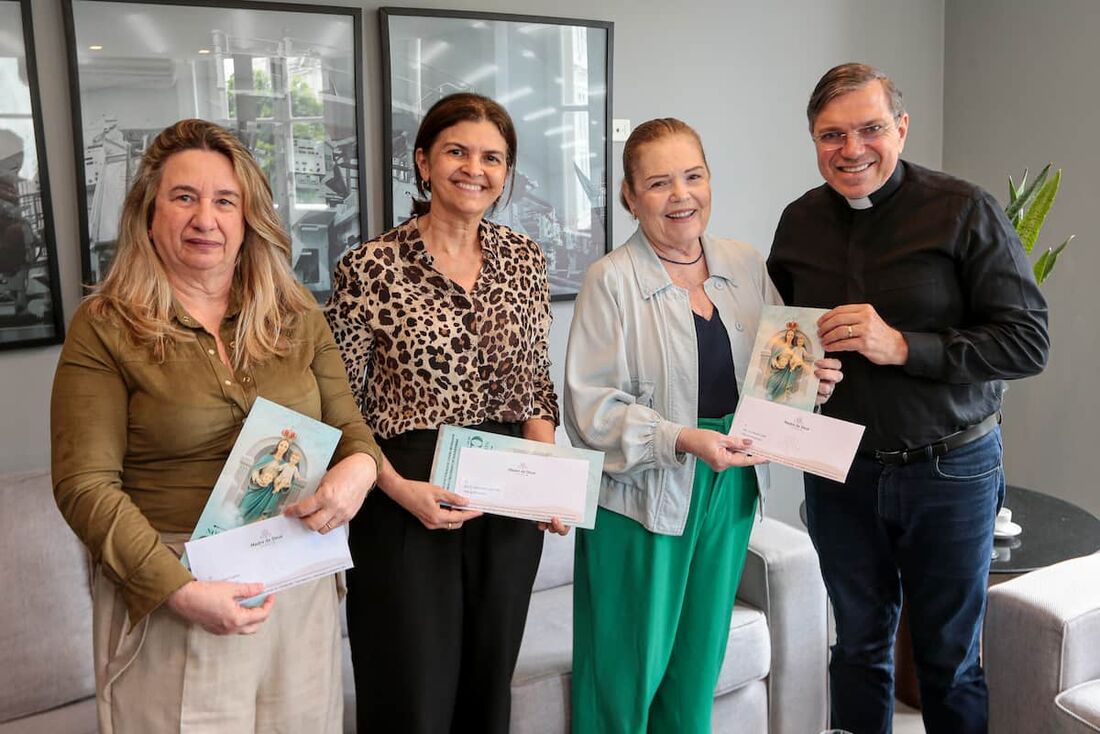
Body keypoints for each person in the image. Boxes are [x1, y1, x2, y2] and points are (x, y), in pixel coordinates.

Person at [50, 118, 382, 734]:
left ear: (248, 216)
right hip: (176, 585)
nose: (206, 218)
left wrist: (359, 470)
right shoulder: (106, 326)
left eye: (225, 200)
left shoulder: (295, 312)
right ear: (149, 214)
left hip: (297, 576)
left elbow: (352, 429)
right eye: (184, 197)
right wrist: (177, 589)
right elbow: (84, 484)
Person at [768, 63, 1050, 734]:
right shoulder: (799, 221)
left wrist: (903, 346)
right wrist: (800, 373)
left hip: (950, 468)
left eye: (869, 129)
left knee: (949, 660)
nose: (851, 149)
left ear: (901, 127)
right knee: (858, 649)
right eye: (831, 135)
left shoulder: (963, 210)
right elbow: (789, 340)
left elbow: (1027, 342)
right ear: (814, 140)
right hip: (842, 471)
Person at [563, 118, 842, 733]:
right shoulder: (610, 280)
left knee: (696, 666)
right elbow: (589, 412)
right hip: (643, 498)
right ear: (630, 197)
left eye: (693, 176)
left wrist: (809, 385)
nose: (680, 195)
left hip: (732, 487)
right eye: (658, 183)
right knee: (625, 673)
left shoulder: (744, 264)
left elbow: (776, 371)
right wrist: (680, 438)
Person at [325, 92, 566, 734]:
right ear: (424, 162)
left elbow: (535, 386)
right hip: (403, 495)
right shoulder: (368, 267)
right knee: (412, 695)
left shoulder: (524, 259)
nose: (474, 168)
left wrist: (546, 479)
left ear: (506, 173)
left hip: (505, 503)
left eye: (492, 157)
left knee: (487, 692)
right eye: (457, 151)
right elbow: (338, 404)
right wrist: (400, 490)